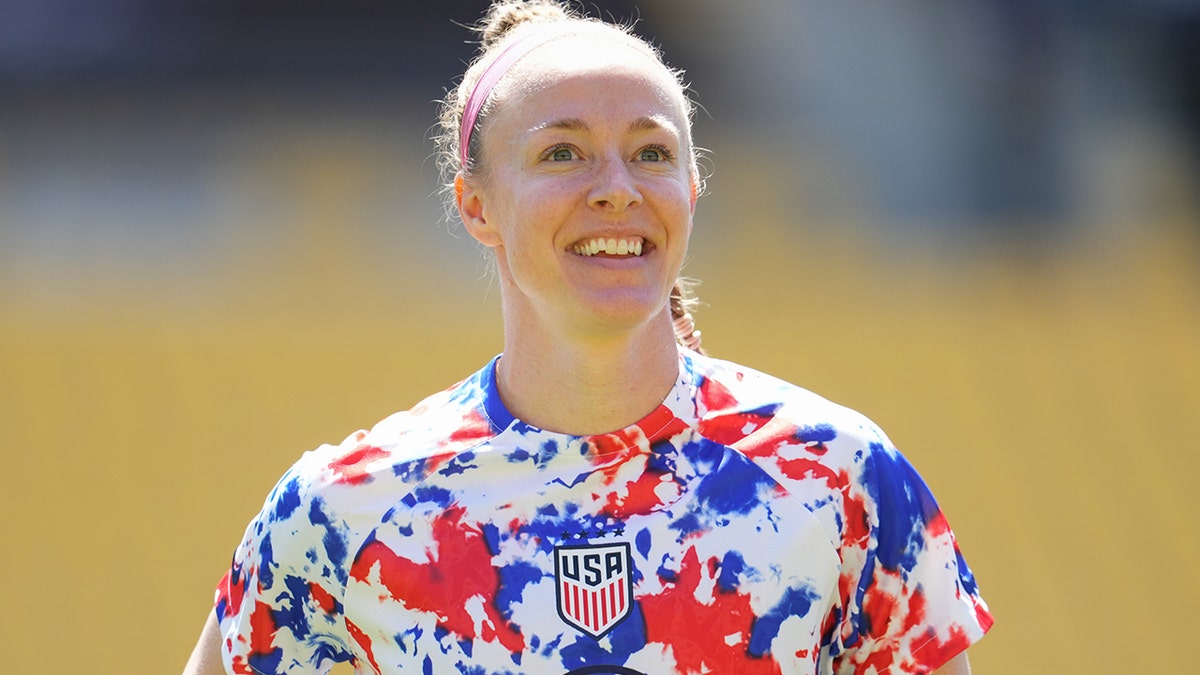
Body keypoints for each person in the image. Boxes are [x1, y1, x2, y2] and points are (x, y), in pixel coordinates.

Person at [183, 1, 993, 673]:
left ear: (691, 190)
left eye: (650, 153)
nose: (616, 190)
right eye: (563, 152)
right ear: (475, 205)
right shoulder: (341, 508)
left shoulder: (842, 477)